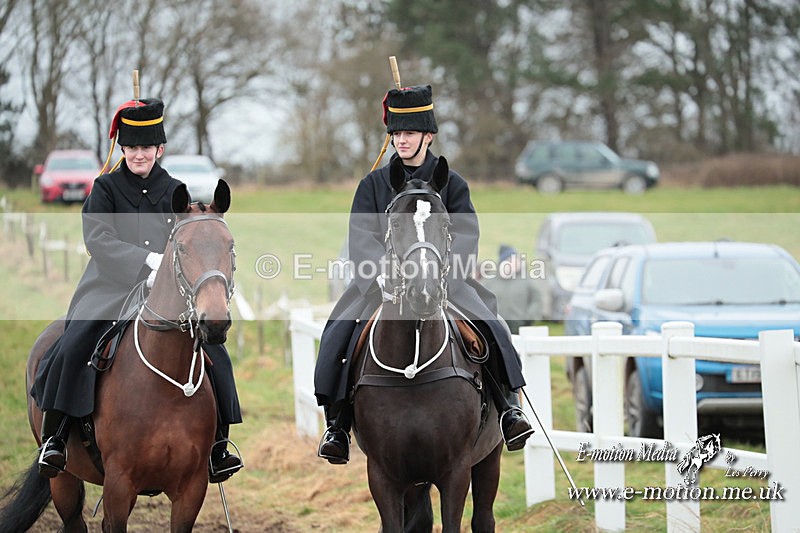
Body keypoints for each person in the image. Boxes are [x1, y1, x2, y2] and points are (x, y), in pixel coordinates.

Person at [314, 84, 534, 464]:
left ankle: (508, 405)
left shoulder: (454, 182)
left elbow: (466, 232)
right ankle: (337, 423)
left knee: (491, 324)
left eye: (409, 133)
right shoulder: (373, 185)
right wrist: (379, 275)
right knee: (338, 331)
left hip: (443, 281)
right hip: (384, 285)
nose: (401, 140)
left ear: (428, 136)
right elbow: (360, 236)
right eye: (396, 134)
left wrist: (443, 275)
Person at [31, 98, 243, 483]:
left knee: (217, 354)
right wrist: (145, 263)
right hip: (109, 287)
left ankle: (218, 446)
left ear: (159, 149)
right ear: (123, 149)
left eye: (147, 147)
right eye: (133, 147)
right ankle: (56, 437)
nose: (140, 154)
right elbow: (98, 238)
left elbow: (191, 236)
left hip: (166, 293)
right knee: (73, 343)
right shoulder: (105, 188)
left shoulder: (175, 189)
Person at [480, 245, 543, 334]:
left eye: (517, 259)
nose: (517, 262)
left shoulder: (527, 280)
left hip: (520, 327)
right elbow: (481, 300)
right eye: (512, 260)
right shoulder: (489, 280)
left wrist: (529, 317)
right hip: (496, 327)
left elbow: (537, 300)